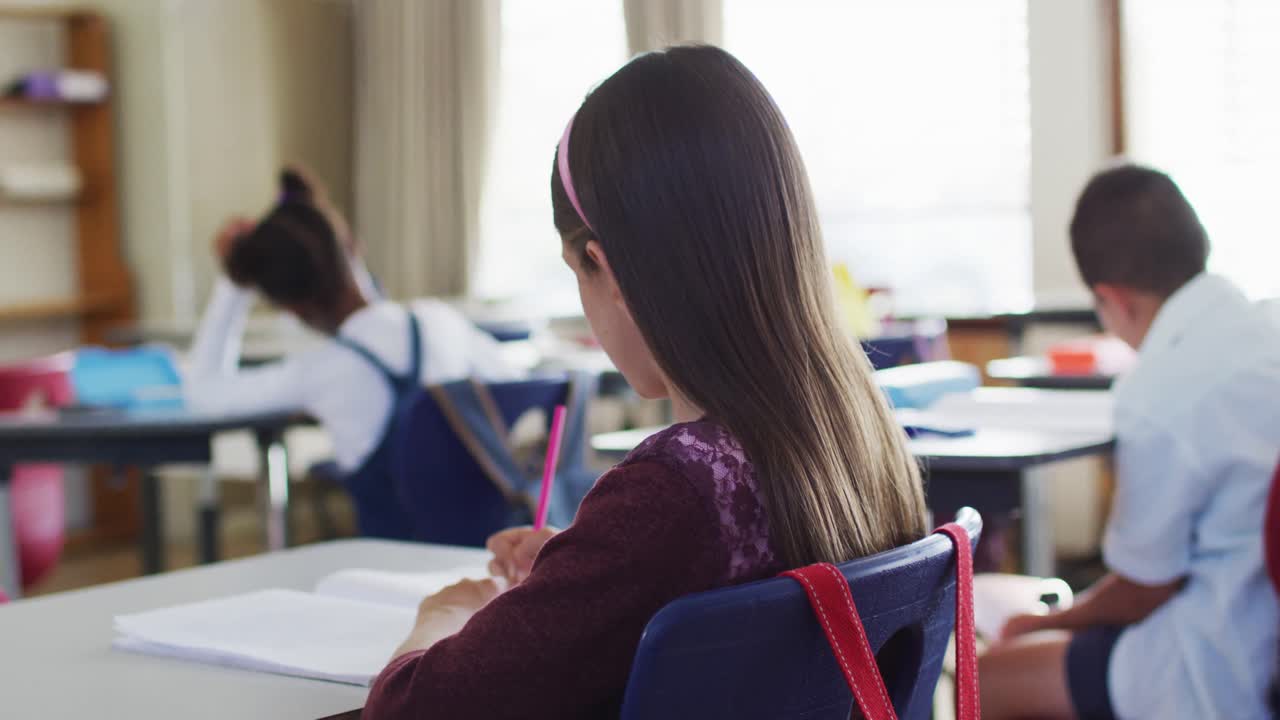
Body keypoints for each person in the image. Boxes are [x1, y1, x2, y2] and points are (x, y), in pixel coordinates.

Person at [362, 45, 929, 719]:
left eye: (578, 274)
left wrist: (444, 616)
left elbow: (412, 709)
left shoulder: (672, 490)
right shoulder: (860, 430)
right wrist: (583, 572)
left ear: (607, 268)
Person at [980, 164, 1280, 719]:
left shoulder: (1160, 388)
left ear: (1110, 299)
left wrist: (1046, 622)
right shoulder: (1266, 327)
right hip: (1263, 627)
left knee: (986, 679)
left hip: (1218, 663)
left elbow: (1146, 590)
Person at [185, 169, 519, 537]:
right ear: (353, 247)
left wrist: (233, 286)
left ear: (290, 309)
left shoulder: (325, 370)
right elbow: (514, 383)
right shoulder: (439, 321)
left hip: (393, 567)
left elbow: (202, 394)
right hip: (490, 552)